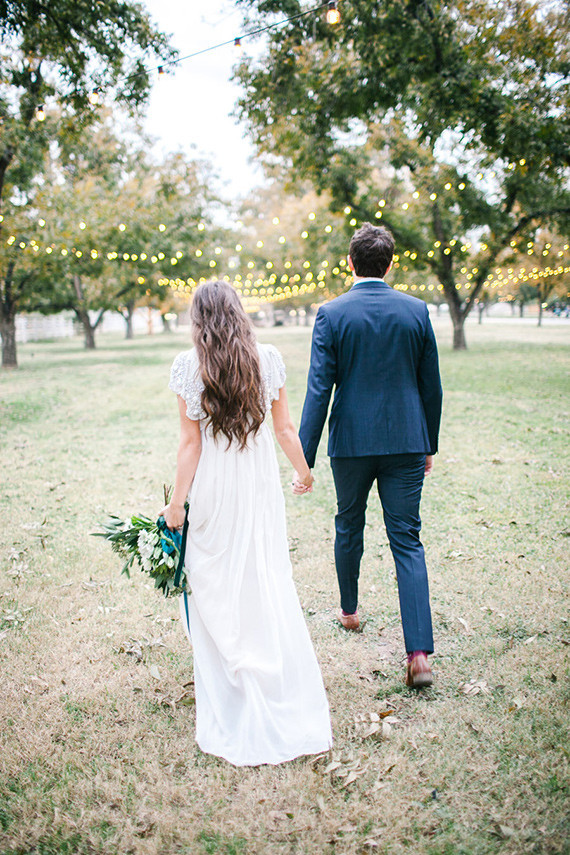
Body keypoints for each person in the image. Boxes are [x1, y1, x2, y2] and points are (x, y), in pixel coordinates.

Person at [162, 280, 332, 766]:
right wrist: (303, 471)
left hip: (215, 489)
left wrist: (178, 505)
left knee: (212, 581)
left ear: (198, 319)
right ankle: (259, 664)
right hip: (258, 489)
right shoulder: (269, 357)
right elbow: (283, 427)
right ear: (238, 312)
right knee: (262, 576)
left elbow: (190, 445)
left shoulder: (187, 366)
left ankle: (235, 669)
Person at [296, 223, 443, 689]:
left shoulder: (332, 314)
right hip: (405, 441)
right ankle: (418, 652)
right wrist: (429, 443)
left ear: (350, 262)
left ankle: (349, 610)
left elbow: (319, 390)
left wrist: (306, 458)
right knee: (407, 540)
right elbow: (431, 387)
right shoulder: (416, 310)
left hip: (352, 444)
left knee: (348, 523)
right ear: (390, 263)